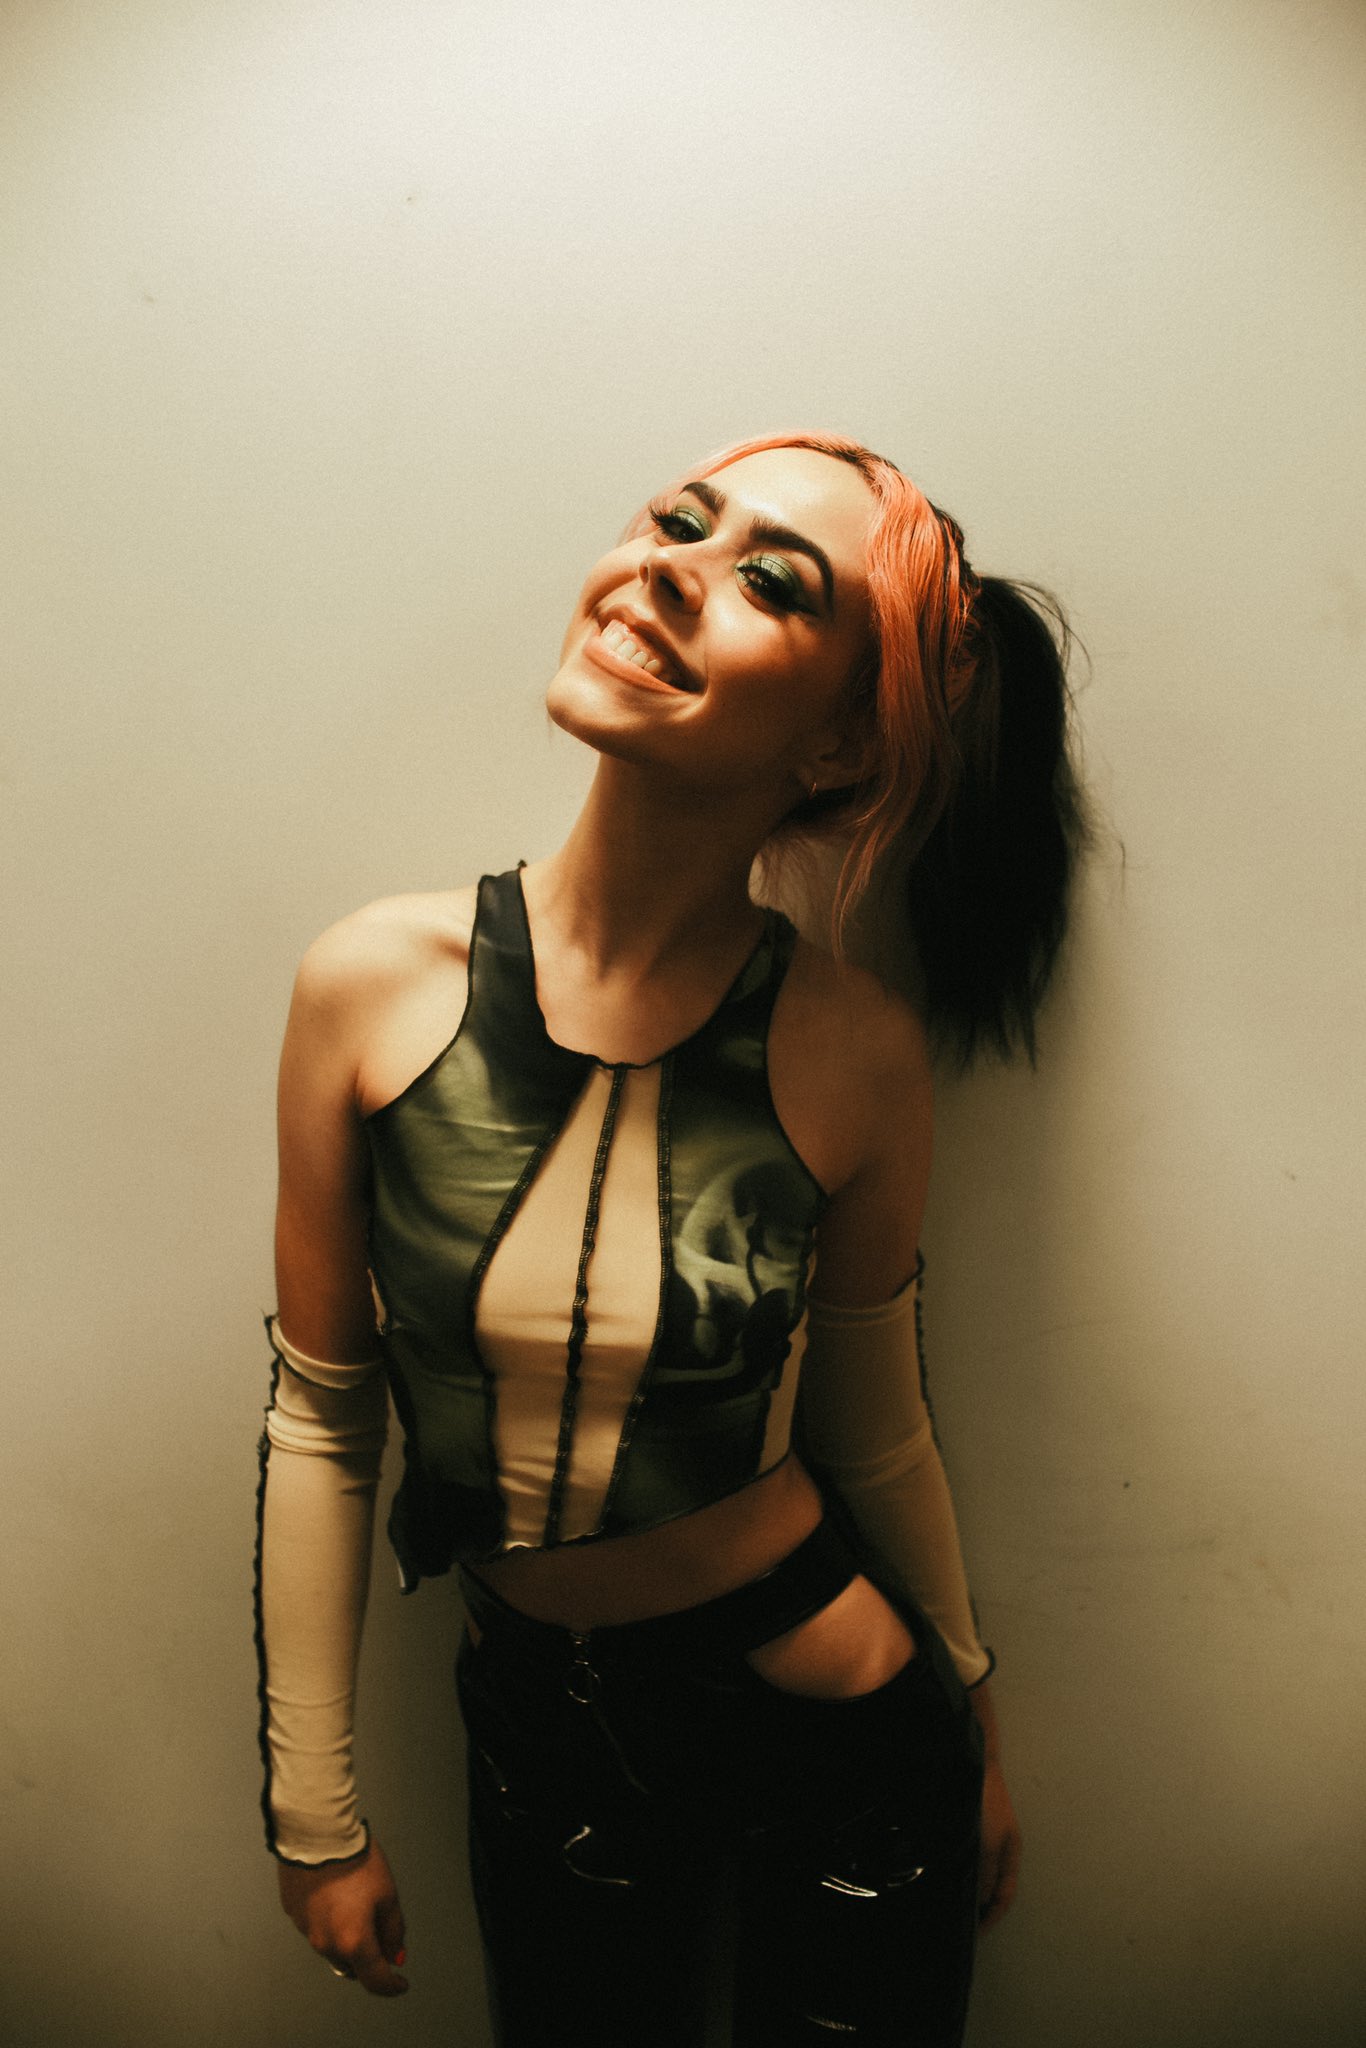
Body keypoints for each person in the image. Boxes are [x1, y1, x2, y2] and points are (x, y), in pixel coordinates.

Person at [252, 431, 1088, 2046]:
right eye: (678, 519)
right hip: (534, 1723)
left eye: (769, 579)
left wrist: (969, 1712)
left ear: (839, 742)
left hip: (839, 1718)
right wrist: (311, 1813)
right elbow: (321, 1415)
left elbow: (873, 1424)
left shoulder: (856, 1052)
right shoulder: (370, 984)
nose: (670, 569)